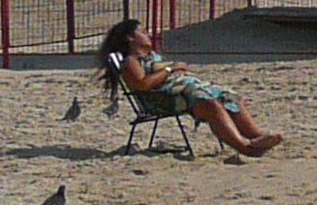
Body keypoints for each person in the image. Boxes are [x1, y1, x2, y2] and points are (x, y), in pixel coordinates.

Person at [94, 17, 283, 156]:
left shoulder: (152, 58)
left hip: (183, 91)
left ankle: (258, 137)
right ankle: (245, 147)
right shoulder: (131, 61)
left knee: (232, 98)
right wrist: (170, 68)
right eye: (142, 32)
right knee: (210, 105)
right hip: (164, 99)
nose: (148, 35)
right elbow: (142, 85)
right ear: (129, 38)